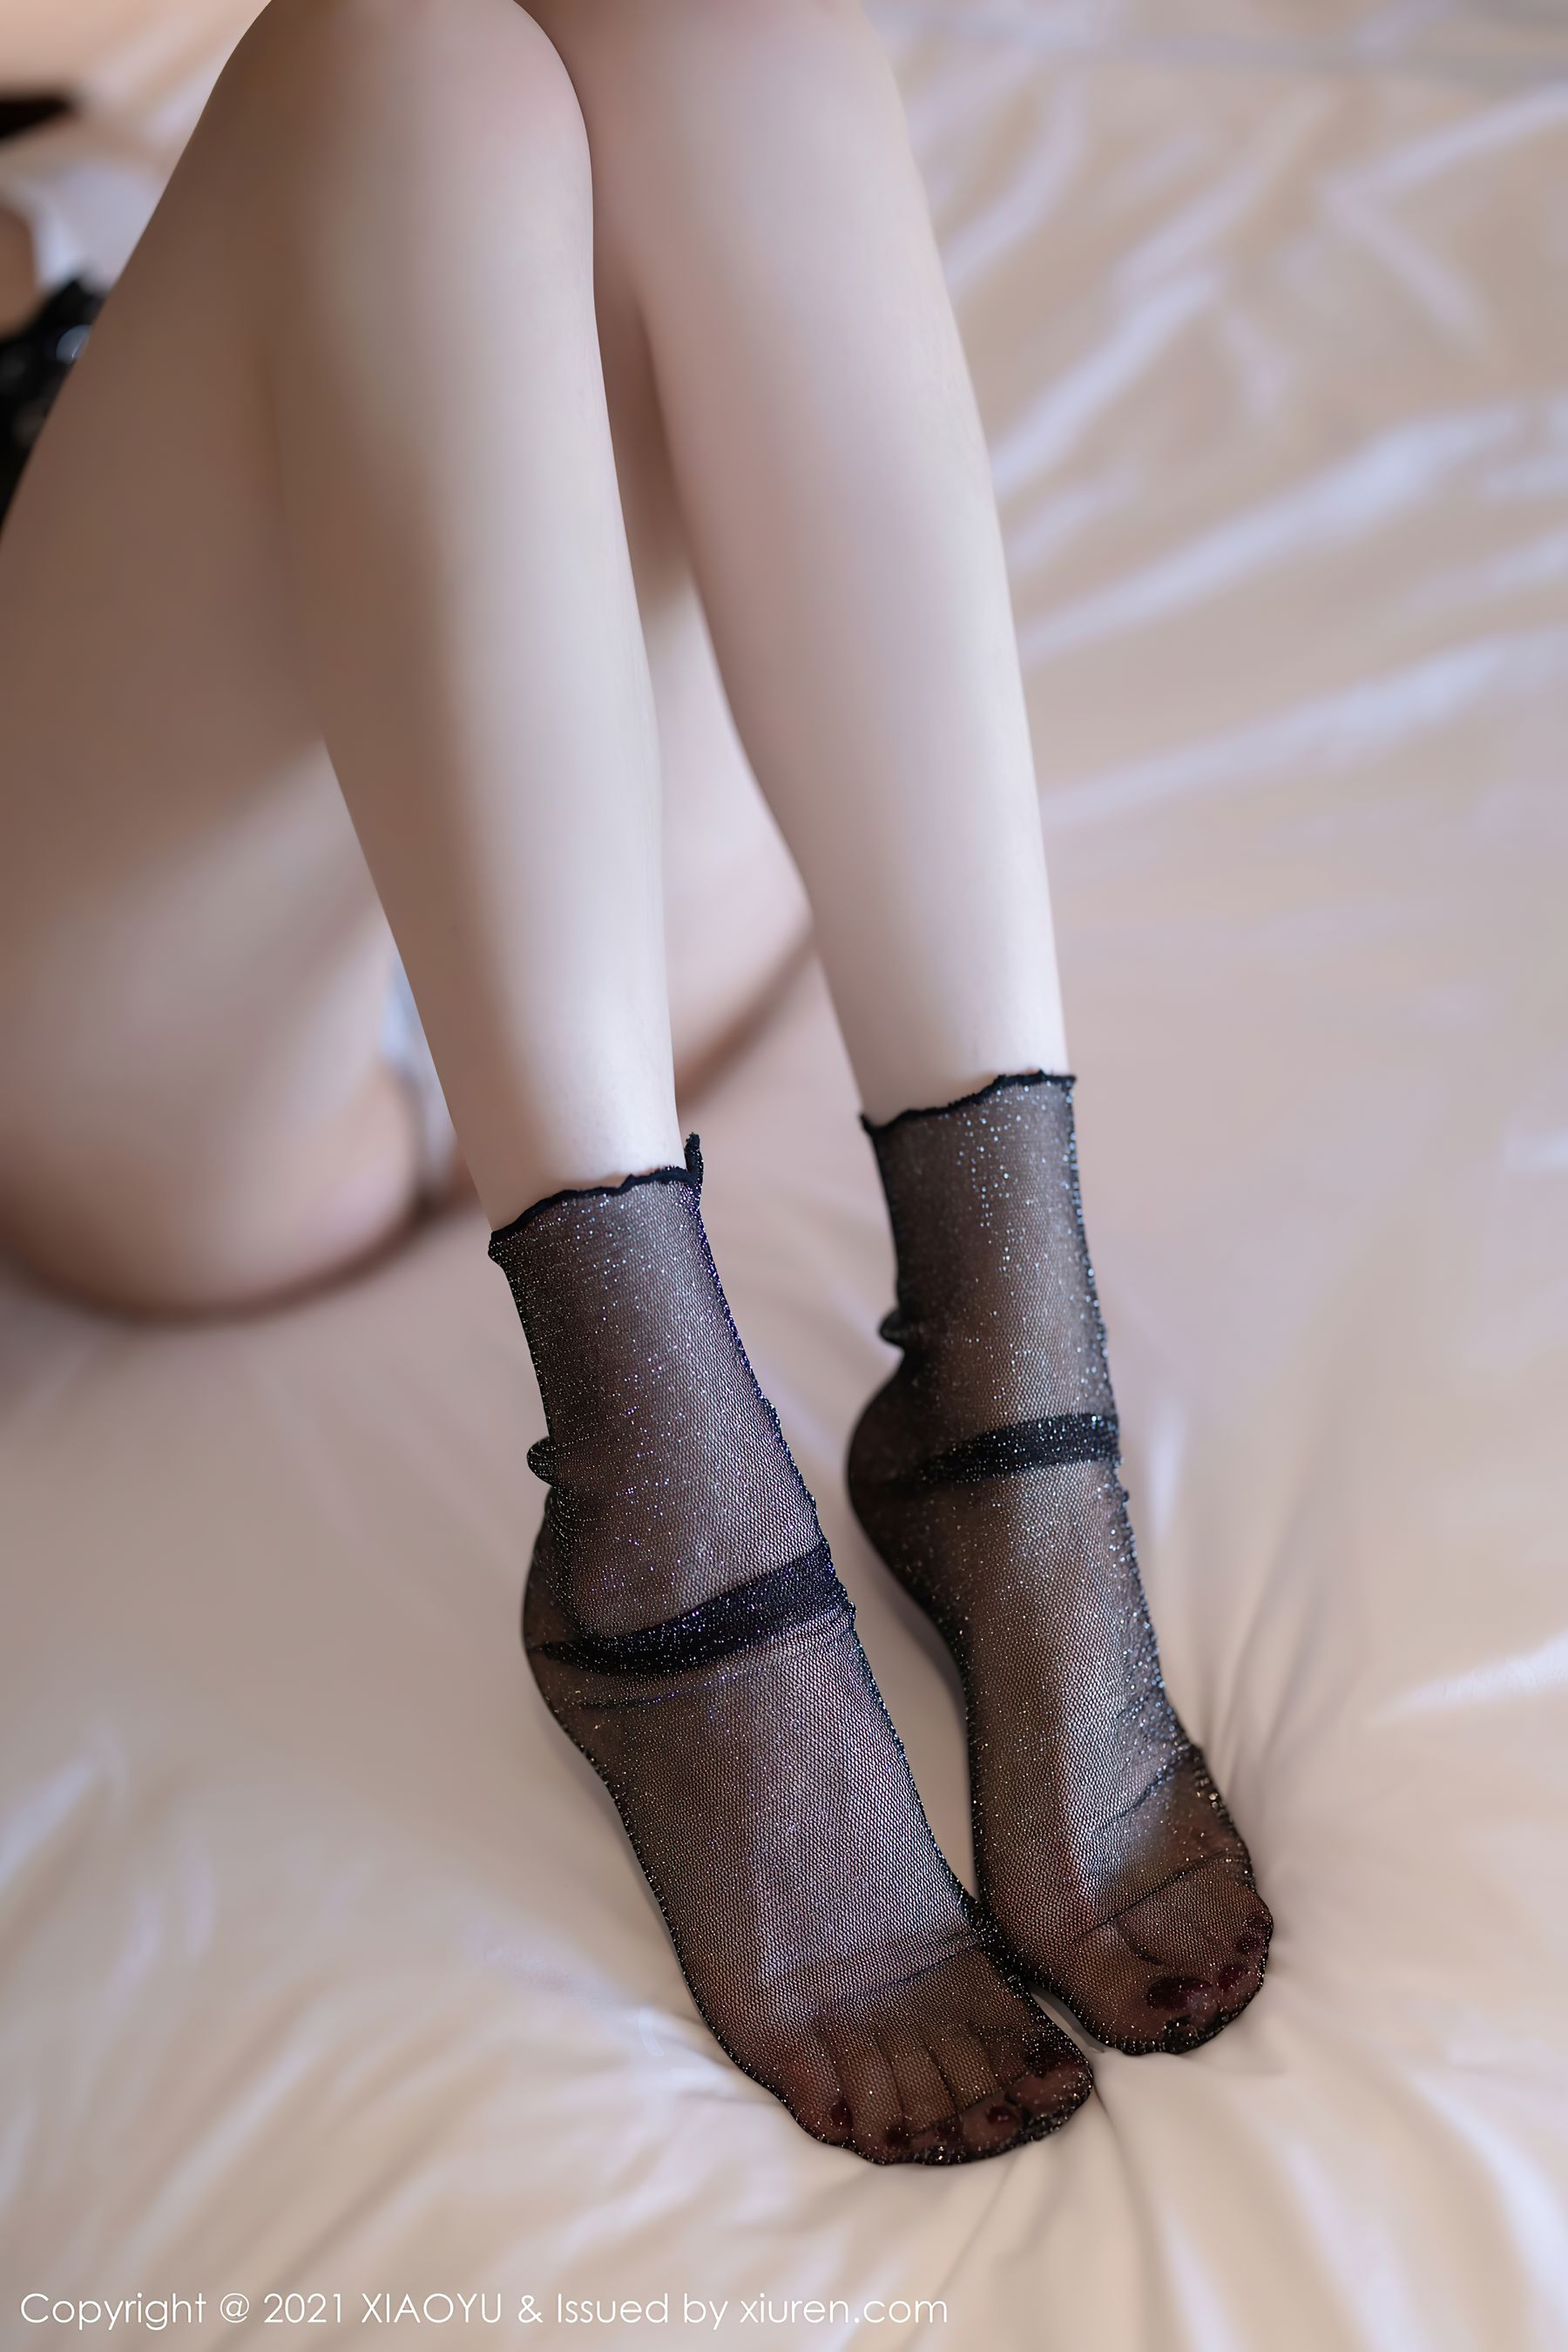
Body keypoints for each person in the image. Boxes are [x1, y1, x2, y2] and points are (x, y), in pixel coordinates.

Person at [0, 0, 1270, 2166]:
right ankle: (665, 1489)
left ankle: (1013, 1390)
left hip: (622, 895)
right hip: (201, 1056)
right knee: (385, 55)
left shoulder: (109, 128)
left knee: (684, 22)